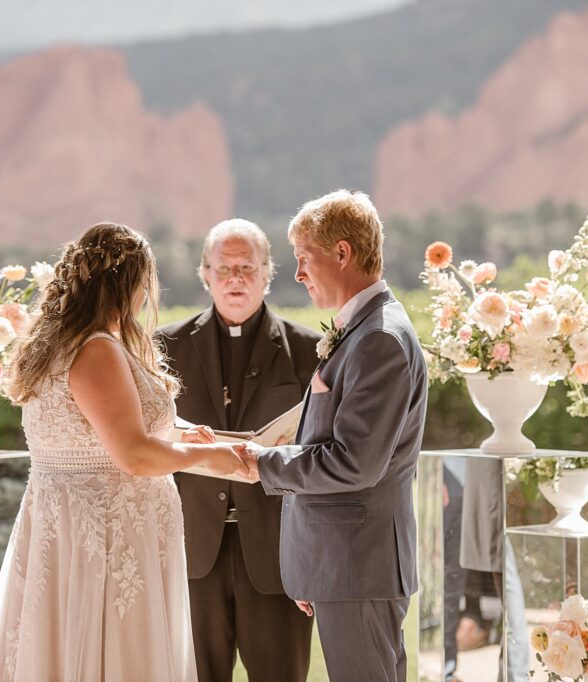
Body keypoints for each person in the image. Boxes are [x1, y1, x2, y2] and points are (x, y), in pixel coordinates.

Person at [0, 222, 248, 681]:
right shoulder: (96, 349)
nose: (145, 298)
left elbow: (95, 427)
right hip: (107, 536)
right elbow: (134, 455)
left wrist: (178, 433)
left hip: (73, 529)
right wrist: (207, 457)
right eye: (145, 285)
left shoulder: (60, 343)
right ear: (129, 283)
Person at [239, 190, 428, 682]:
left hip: (358, 568)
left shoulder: (379, 339)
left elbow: (353, 463)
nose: (298, 274)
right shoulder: (364, 331)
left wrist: (261, 461)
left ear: (342, 253)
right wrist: (311, 562)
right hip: (343, 567)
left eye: (304, 259)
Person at [159, 219, 320, 682]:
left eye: (247, 267)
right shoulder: (163, 347)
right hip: (193, 553)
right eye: (224, 268)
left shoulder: (309, 350)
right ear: (204, 274)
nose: (235, 279)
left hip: (276, 553)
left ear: (268, 273)